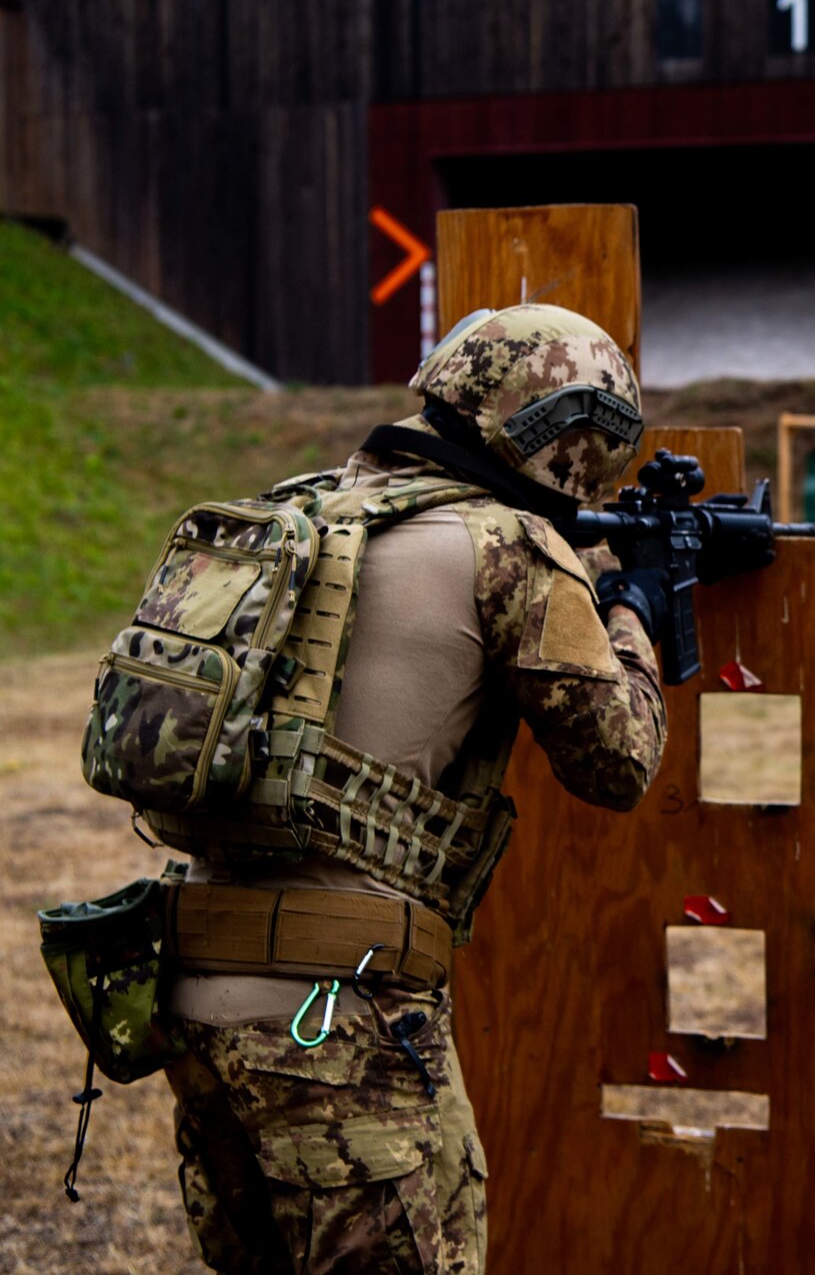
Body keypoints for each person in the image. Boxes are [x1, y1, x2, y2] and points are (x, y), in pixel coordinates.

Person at [153, 305, 670, 1272]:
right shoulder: (508, 547)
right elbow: (620, 760)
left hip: (193, 994)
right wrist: (630, 608)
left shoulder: (303, 509)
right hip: (340, 1021)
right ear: (568, 441)